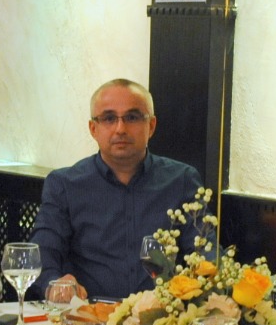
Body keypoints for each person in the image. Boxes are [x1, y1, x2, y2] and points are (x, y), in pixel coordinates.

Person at [30, 78, 202, 300]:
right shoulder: (64, 184)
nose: (120, 129)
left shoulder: (182, 180)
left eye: (132, 117)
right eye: (109, 118)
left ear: (151, 126)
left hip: (162, 314)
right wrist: (55, 284)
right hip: (88, 314)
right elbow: (43, 253)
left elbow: (203, 252)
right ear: (93, 128)